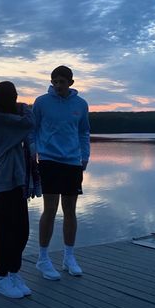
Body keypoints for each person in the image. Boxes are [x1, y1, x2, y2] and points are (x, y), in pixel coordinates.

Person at [0, 81, 38, 298]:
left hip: (17, 177)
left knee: (21, 229)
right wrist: (23, 106)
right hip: (4, 178)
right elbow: (30, 122)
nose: (15, 100)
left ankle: (14, 272)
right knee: (5, 230)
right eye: (12, 97)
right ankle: (1, 278)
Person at [32, 65, 90, 280]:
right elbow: (33, 129)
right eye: (54, 81)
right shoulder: (41, 102)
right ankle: (43, 258)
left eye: (62, 81)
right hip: (48, 160)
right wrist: (33, 153)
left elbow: (84, 131)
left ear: (70, 83)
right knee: (49, 209)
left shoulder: (81, 104)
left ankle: (69, 257)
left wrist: (85, 157)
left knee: (70, 210)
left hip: (73, 162)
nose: (58, 85)